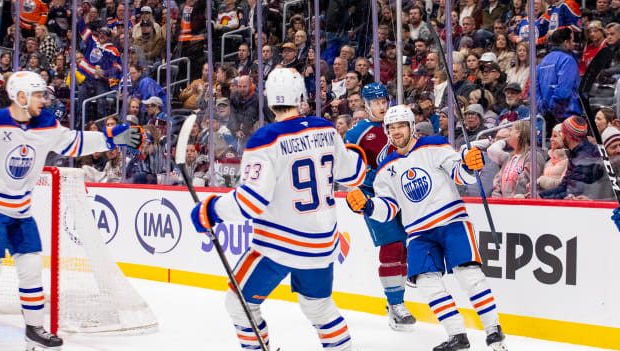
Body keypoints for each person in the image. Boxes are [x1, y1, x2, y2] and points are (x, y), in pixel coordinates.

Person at [189, 68, 367, 350]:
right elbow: (353, 175)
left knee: (239, 304)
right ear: (300, 98)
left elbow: (250, 201)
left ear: (270, 100)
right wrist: (356, 151)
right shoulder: (325, 128)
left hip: (277, 246)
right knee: (320, 308)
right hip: (321, 244)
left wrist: (211, 210)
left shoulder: (266, 138)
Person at [0, 71, 141, 350]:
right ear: (21, 96)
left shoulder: (46, 125)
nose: (43, 100)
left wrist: (112, 138)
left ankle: (34, 329)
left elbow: (75, 142)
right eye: (38, 94)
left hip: (21, 212)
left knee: (30, 268)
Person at [346, 104, 508, 351]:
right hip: (419, 232)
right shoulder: (386, 167)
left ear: (412, 126)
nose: (396, 132)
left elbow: (460, 175)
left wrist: (469, 165)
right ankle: (457, 336)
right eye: (391, 127)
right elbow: (388, 208)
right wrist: (367, 206)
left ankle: (493, 330)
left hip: (451, 221)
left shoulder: (434, 145)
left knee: (469, 276)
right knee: (426, 282)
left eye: (401, 126)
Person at [344, 83, 417, 331]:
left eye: (384, 101)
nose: (382, 106)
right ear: (366, 105)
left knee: (404, 248)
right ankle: (396, 305)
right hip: (374, 198)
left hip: (401, 194)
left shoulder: (398, 125)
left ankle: (397, 302)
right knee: (392, 245)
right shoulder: (358, 133)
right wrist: (366, 181)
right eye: (376, 102)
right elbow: (346, 170)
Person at [536, 28, 581, 124]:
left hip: (545, 118)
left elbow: (534, 92)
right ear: (566, 42)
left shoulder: (541, 63)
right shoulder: (568, 60)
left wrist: (545, 111)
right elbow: (563, 92)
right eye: (572, 41)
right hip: (566, 117)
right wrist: (553, 111)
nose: (574, 44)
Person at [489, 120, 545, 198]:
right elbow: (498, 181)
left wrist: (514, 200)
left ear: (519, 133)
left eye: (511, 130)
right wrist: (497, 200)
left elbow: (526, 183)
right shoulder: (509, 157)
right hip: (503, 205)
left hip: (521, 205)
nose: (509, 134)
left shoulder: (533, 156)